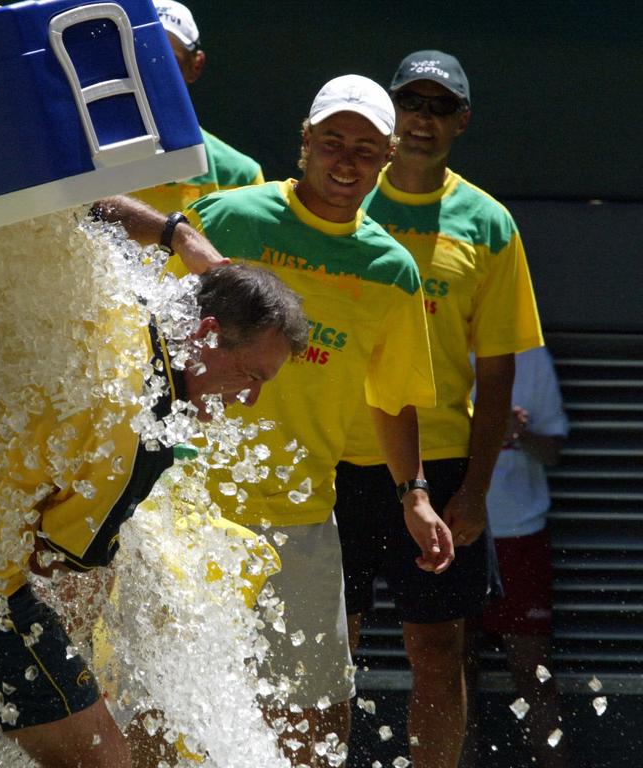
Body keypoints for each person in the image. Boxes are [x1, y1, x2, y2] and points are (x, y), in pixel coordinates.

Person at [0, 256, 307, 768]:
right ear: (206, 335)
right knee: (104, 760)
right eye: (252, 375)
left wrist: (174, 233)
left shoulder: (121, 312)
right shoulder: (145, 430)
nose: (250, 399)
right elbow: (61, 563)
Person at [167, 74, 454, 767]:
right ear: (304, 143)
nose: (346, 162)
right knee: (165, 704)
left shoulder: (391, 268)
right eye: (332, 143)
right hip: (187, 507)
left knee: (315, 722)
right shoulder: (229, 218)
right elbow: (157, 336)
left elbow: (393, 396)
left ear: (386, 160)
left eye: (364, 149)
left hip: (300, 515)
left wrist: (414, 495)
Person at [335, 51, 544, 768]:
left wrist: (478, 491)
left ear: (461, 121)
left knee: (437, 647)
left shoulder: (488, 222)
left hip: (445, 463)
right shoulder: (345, 195)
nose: (421, 119)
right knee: (333, 642)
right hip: (338, 453)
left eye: (438, 106)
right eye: (410, 102)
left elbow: (498, 369)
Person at [462, 345, 573, 768]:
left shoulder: (529, 355)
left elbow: (553, 450)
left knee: (534, 672)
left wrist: (517, 434)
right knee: (450, 671)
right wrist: (480, 429)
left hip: (518, 532)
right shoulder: (436, 338)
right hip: (450, 528)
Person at [130, 0, 265, 213]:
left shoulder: (240, 176)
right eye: (139, 59)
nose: (152, 73)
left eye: (169, 62)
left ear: (196, 66)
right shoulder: (81, 162)